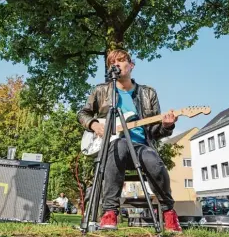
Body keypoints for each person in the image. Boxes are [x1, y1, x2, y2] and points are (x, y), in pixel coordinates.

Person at [77, 49, 181, 232]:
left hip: (142, 145)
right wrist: (94, 125)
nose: (116, 65)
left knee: (155, 164)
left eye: (120, 61)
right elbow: (83, 113)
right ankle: (109, 212)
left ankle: (169, 213)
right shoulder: (101, 91)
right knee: (118, 146)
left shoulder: (148, 93)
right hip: (112, 146)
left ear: (131, 65)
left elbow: (155, 132)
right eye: (112, 63)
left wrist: (167, 126)